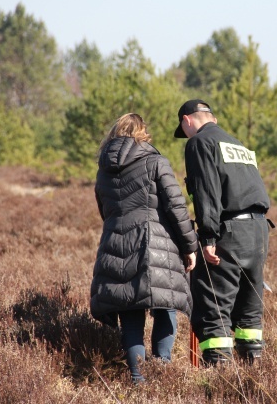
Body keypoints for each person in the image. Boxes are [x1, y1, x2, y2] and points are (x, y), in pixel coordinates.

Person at [90, 113, 198, 384]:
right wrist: (190, 246)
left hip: (115, 244)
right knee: (165, 306)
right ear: (142, 133)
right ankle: (162, 374)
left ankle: (138, 381)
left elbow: (105, 211)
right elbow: (176, 208)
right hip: (156, 244)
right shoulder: (155, 162)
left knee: (130, 314)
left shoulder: (103, 170)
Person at [174, 99, 272, 365]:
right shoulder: (237, 144)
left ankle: (219, 380)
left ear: (187, 121)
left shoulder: (199, 143)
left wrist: (207, 237)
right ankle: (255, 373)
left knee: (213, 308)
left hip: (229, 233)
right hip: (259, 231)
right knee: (249, 312)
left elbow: (207, 193)